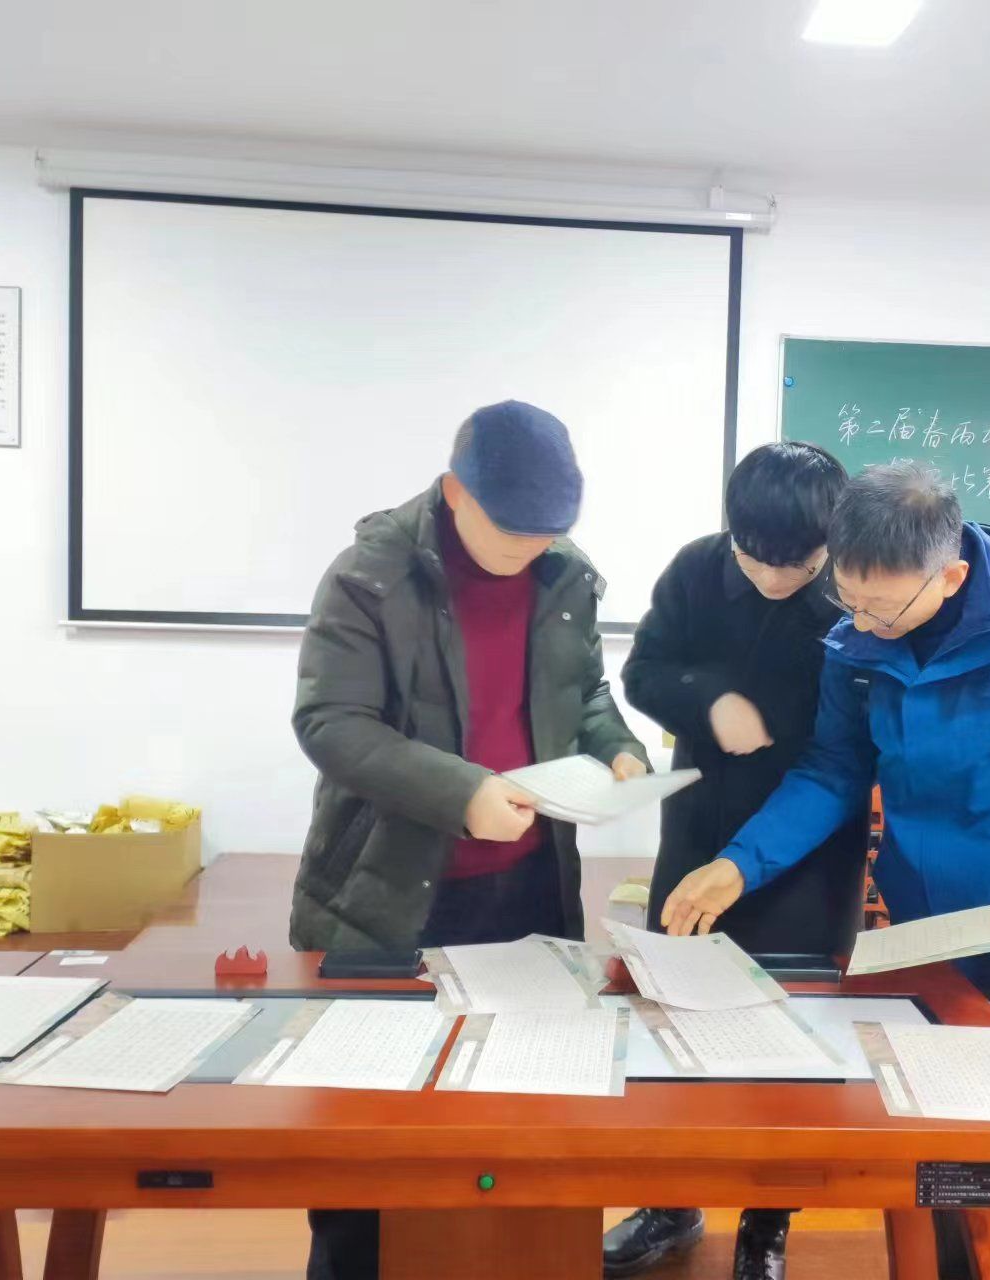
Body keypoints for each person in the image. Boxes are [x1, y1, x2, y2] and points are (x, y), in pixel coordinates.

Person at [662, 462, 990, 1280]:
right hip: (928, 947)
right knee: (941, 1172)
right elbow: (835, 769)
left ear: (951, 576)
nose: (862, 622)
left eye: (882, 606)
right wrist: (740, 863)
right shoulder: (859, 641)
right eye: (848, 599)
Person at [290, 399, 650, 1280]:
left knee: (524, 1125)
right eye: (511, 533)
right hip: (390, 892)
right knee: (368, 1137)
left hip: (526, 890)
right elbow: (331, 722)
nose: (530, 551)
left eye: (547, 535)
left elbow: (584, 691)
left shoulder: (564, 573)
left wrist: (618, 747)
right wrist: (464, 794)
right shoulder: (370, 576)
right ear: (456, 493)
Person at [603, 442, 865, 1280]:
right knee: (673, 1016)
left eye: (799, 565)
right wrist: (708, 701)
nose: (776, 579)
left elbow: (848, 752)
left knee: (788, 1039)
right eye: (758, 560)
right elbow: (643, 672)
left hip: (809, 849)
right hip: (698, 832)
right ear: (734, 533)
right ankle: (671, 1203)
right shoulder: (695, 570)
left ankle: (766, 1225)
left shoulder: (854, 595)